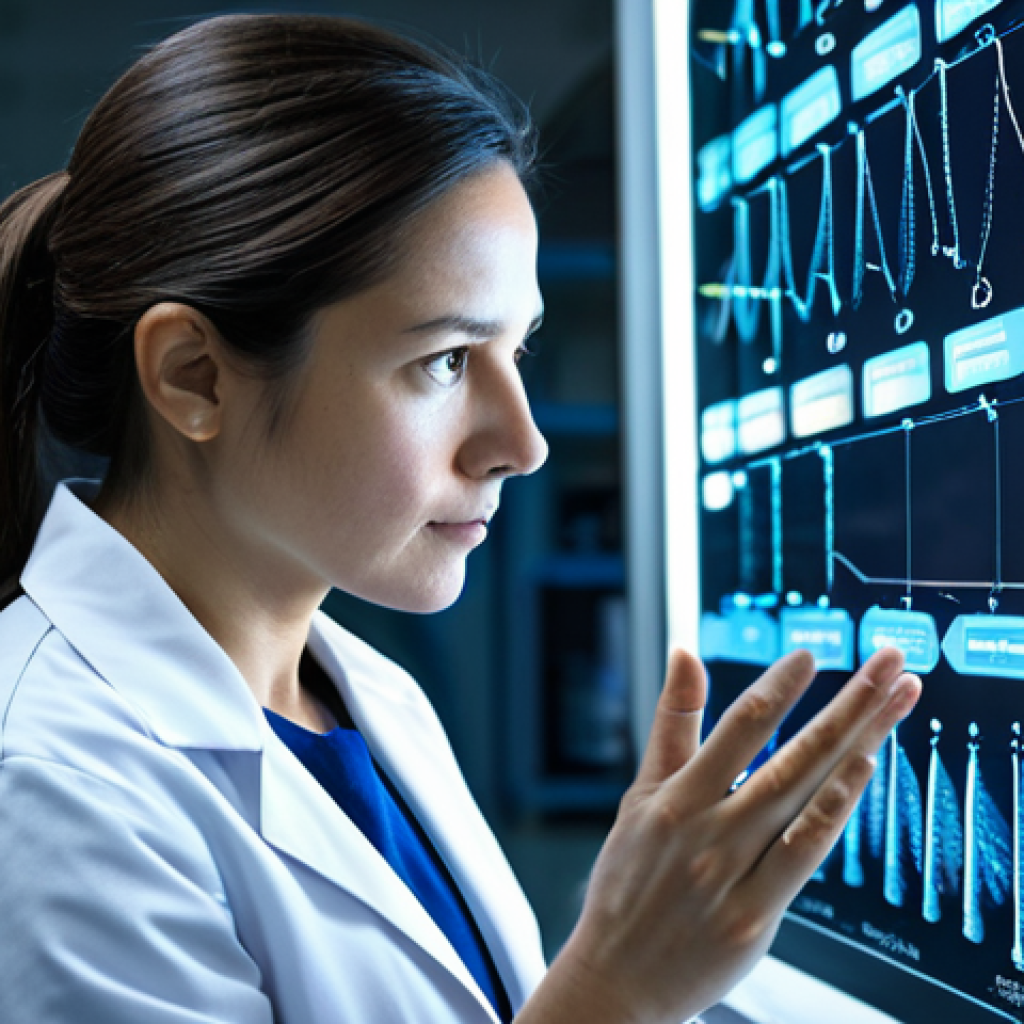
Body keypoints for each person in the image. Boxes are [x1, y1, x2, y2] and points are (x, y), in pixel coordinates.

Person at [0, 13, 921, 1024]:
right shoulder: (53, 789)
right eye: (445, 360)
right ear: (195, 377)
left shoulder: (365, 696)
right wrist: (616, 989)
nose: (523, 444)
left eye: (516, 353)